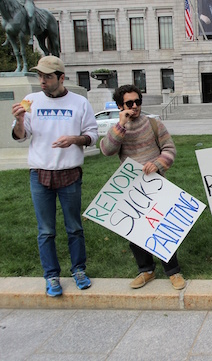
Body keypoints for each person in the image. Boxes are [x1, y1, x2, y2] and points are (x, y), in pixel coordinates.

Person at [11, 55, 97, 297]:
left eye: (47, 76)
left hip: (70, 173)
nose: (42, 81)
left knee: (74, 228)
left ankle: (79, 270)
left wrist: (74, 139)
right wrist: (19, 120)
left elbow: (92, 135)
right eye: (40, 76)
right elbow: (21, 135)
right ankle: (51, 276)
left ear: (60, 77)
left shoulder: (79, 103)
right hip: (40, 174)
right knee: (46, 230)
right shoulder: (31, 101)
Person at [99, 84, 185, 290]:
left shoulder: (154, 124)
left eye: (138, 102)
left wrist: (157, 164)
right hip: (130, 187)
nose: (135, 106)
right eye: (129, 103)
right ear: (120, 105)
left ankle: (173, 271)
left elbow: (169, 149)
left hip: (156, 183)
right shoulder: (118, 129)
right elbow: (107, 150)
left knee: (162, 227)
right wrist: (121, 126)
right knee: (135, 230)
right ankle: (146, 270)